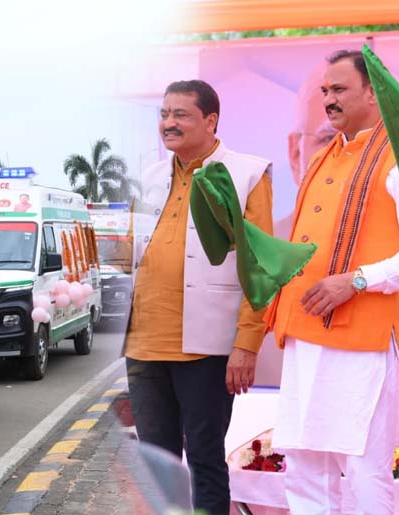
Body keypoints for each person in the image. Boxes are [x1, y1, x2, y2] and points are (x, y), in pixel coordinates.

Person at [266, 50, 399, 514]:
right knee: (304, 465)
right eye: (325, 91)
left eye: (339, 89)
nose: (329, 99)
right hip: (304, 337)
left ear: (373, 93)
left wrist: (358, 281)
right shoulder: (324, 158)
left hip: (362, 343)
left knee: (365, 469)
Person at [123, 79, 272, 515]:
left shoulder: (246, 174)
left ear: (210, 120)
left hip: (207, 347)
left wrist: (247, 343)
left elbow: (260, 265)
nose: (169, 123)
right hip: (144, 346)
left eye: (180, 114)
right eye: (164, 114)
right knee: (158, 464)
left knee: (205, 459)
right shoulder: (149, 177)